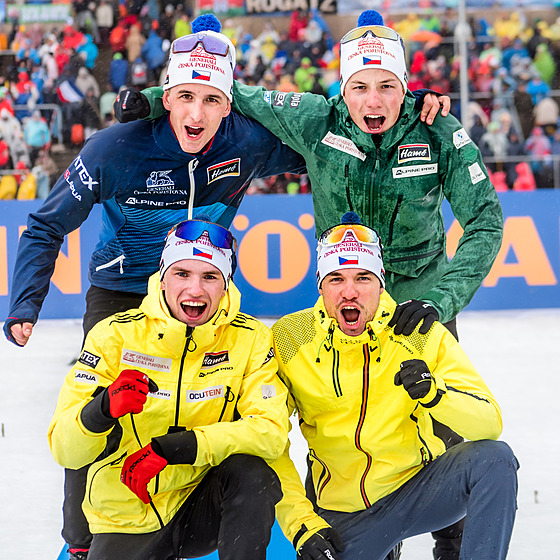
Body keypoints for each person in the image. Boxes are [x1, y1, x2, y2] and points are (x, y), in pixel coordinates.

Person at [4, 17, 306, 560]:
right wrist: (26, 301)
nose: (196, 114)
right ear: (166, 96)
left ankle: (197, 509)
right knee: (100, 409)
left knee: (212, 401)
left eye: (212, 100)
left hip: (199, 285)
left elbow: (330, 146)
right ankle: (81, 542)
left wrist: (407, 114)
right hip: (121, 290)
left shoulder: (249, 142)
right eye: (184, 96)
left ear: (229, 103)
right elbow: (47, 223)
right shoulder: (115, 148)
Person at [270, 213, 518, 560]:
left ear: (381, 283)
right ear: (320, 285)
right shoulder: (289, 338)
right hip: (344, 512)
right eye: (336, 278)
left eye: (363, 277)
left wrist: (436, 395)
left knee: (494, 460)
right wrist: (300, 525)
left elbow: (489, 423)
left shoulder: (415, 331)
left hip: (418, 492)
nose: (350, 291)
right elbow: (268, 441)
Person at [47, 218, 289, 560]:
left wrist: (175, 448)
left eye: (210, 276)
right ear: (162, 279)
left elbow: (271, 432)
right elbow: (64, 450)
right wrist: (101, 411)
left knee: (252, 473)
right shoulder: (113, 337)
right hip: (128, 515)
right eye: (182, 274)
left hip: (200, 506)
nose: (195, 290)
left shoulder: (250, 339)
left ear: (226, 285)